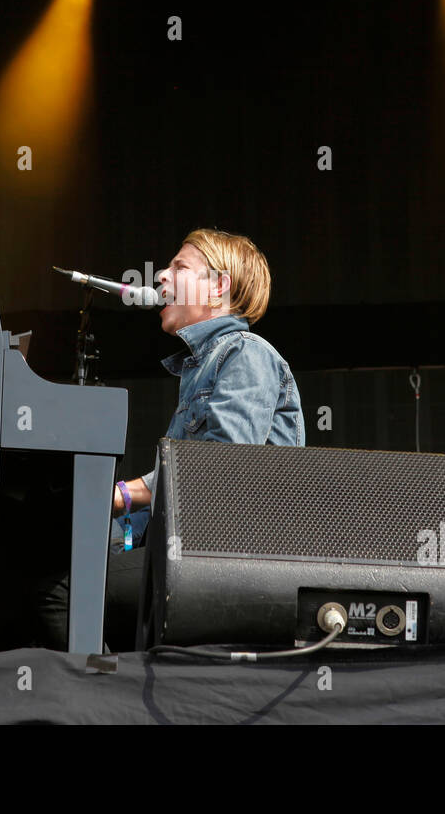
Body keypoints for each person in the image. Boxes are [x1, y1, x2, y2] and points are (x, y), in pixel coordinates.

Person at [35, 228, 306, 652]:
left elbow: (218, 467)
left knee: (63, 593)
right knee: (50, 572)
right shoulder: (202, 367)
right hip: (191, 551)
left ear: (218, 287)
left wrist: (123, 494)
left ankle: (105, 707)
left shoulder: (246, 353)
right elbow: (170, 499)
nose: (160, 275)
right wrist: (89, 527)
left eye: (179, 267)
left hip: (227, 557)